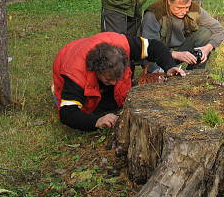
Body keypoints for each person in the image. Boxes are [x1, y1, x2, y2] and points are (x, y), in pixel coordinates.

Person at [52, 32, 185, 131]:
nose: (115, 83)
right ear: (97, 70)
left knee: (117, 100)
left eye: (118, 78)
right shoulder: (75, 73)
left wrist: (169, 66)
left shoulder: (123, 44)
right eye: (109, 79)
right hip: (68, 63)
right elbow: (67, 113)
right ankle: (57, 91)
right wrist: (97, 121)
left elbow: (154, 46)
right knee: (93, 109)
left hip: (91, 55)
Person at [142, 0, 224, 71]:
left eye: (186, 7)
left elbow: (220, 30)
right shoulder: (154, 13)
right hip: (156, 55)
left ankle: (195, 74)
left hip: (181, 50)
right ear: (169, 1)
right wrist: (175, 54)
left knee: (205, 33)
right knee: (159, 76)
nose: (184, 11)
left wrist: (207, 48)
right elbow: (148, 46)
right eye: (179, 8)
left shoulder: (194, 9)